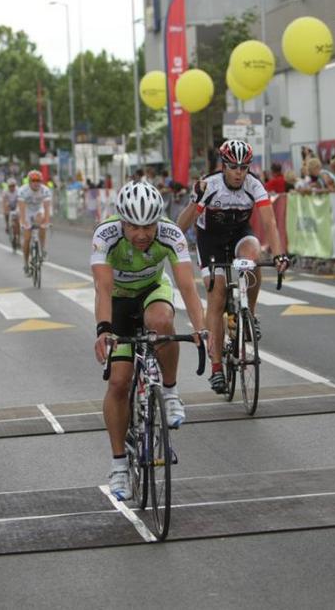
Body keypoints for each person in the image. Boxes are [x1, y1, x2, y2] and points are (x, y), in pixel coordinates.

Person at [92, 181, 208, 501]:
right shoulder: (105, 235)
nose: (142, 234)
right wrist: (104, 330)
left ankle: (169, 392)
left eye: (149, 226)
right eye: (133, 226)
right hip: (118, 301)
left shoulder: (171, 233)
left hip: (152, 291)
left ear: (159, 221)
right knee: (119, 381)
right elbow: (103, 289)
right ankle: (119, 466)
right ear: (122, 221)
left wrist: (201, 329)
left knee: (162, 323)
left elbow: (187, 286)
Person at [176, 139, 288, 394]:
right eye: (233, 167)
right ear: (223, 165)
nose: (239, 173)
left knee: (253, 256)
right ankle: (216, 368)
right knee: (216, 297)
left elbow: (269, 223)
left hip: (239, 234)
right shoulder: (210, 185)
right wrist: (195, 199)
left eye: (244, 167)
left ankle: (250, 315)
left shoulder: (254, 185)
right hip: (211, 241)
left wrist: (280, 255)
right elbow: (181, 225)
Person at [17, 170, 51, 274]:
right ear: (29, 182)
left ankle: (43, 249)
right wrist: (23, 222)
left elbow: (47, 208)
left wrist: (46, 221)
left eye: (38, 181)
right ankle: (26, 262)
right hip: (27, 211)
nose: (36, 183)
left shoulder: (45, 190)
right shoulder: (23, 190)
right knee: (27, 238)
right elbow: (21, 209)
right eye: (33, 180)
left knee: (42, 223)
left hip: (38, 210)